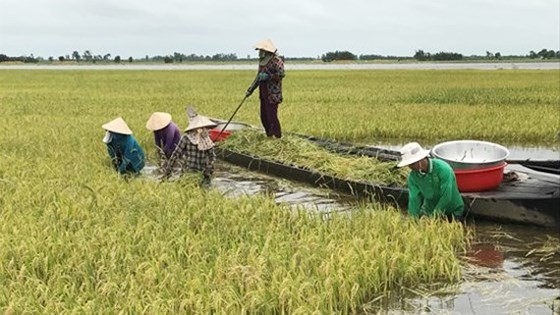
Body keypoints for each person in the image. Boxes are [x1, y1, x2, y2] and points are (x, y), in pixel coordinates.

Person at [397, 142, 464, 220]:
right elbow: (414, 200)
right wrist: (413, 219)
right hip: (429, 209)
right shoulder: (413, 177)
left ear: (419, 162)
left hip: (453, 209)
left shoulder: (443, 169)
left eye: (410, 164)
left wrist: (434, 217)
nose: (409, 167)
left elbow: (446, 196)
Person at [163, 106, 217, 185]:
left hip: (202, 173)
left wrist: (209, 167)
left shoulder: (206, 140)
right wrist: (168, 172)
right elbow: (175, 154)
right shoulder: (186, 138)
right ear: (194, 128)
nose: (201, 129)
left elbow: (212, 156)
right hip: (188, 173)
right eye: (199, 127)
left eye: (202, 127)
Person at [245, 39, 285, 138]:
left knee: (272, 116)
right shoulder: (262, 62)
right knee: (264, 115)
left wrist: (269, 76)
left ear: (267, 51)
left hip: (273, 93)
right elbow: (258, 77)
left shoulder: (277, 61)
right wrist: (251, 89)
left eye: (261, 50)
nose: (259, 52)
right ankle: (269, 135)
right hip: (263, 92)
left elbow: (281, 74)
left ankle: (277, 136)